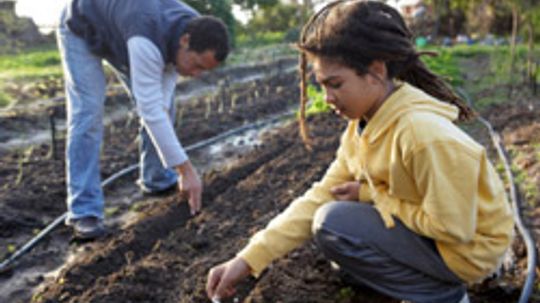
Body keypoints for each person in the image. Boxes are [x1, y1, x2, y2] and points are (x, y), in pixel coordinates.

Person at [206, 1, 514, 303]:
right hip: (439, 235)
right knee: (337, 233)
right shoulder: (364, 126)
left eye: (336, 84)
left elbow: (454, 229)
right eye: (322, 86)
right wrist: (247, 259)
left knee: (335, 223)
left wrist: (370, 195)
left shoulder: (423, 137)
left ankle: (443, 295)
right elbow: (321, 194)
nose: (327, 98)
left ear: (376, 71)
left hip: (467, 251)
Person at [57, 0, 230, 239]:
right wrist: (186, 170)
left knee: (165, 108)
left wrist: (179, 168)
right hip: (83, 22)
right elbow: (149, 109)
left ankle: (157, 178)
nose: (196, 74)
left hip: (124, 30)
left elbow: (160, 104)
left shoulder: (195, 28)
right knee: (88, 115)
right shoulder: (148, 40)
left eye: (204, 71)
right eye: (197, 65)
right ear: (185, 41)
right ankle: (84, 211)